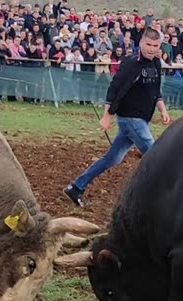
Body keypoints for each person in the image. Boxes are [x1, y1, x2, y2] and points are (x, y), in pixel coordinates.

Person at [63, 27, 171, 208]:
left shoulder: (156, 63)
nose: (151, 49)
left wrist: (163, 109)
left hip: (142, 118)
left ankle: (76, 187)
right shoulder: (131, 63)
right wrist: (106, 116)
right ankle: (164, 197)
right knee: (154, 154)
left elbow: (155, 90)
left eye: (155, 45)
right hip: (130, 118)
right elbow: (114, 89)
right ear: (141, 43)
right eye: (148, 44)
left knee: (113, 158)